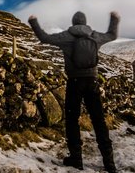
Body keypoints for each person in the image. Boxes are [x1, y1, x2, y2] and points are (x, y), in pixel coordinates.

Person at [28, 11, 119, 173]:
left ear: (73, 22)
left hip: (74, 83)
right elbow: (112, 35)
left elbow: (44, 38)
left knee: (72, 119)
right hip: (92, 82)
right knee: (99, 121)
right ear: (85, 22)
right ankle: (109, 163)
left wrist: (33, 22)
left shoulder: (67, 36)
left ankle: (76, 159)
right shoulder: (94, 36)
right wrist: (114, 18)